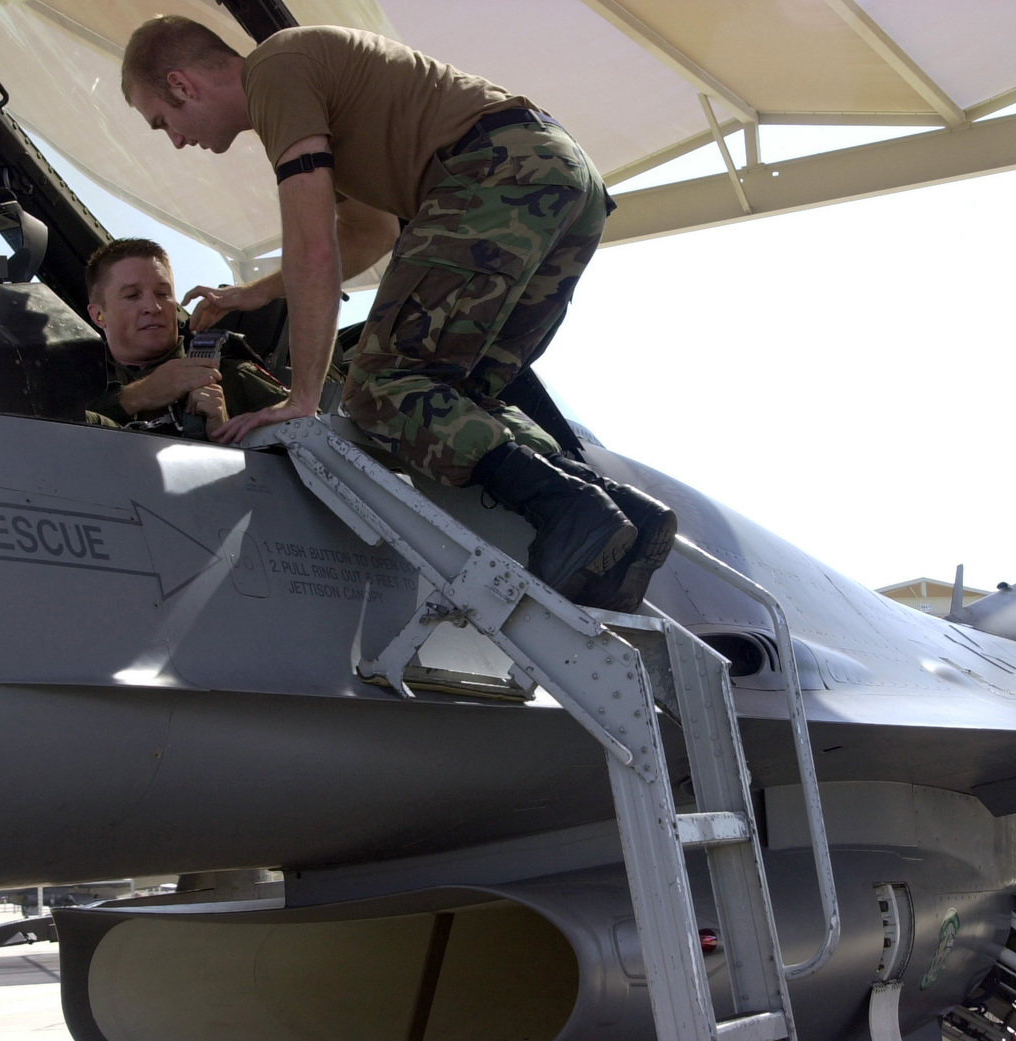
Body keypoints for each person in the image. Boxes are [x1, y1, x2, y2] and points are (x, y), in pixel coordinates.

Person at [119, 17, 674, 611]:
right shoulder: (316, 89)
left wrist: (304, 396)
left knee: (380, 385)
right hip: (557, 181)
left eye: (162, 122)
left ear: (181, 86)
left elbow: (315, 249)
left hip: (497, 172)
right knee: (456, 395)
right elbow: (366, 233)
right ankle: (624, 516)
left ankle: (571, 514)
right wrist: (256, 292)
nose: (175, 140)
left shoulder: (276, 70)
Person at [84, 238, 288, 435]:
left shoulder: (229, 376)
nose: (153, 307)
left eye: (163, 294)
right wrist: (136, 396)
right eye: (132, 296)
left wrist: (229, 438)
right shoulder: (75, 385)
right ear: (98, 315)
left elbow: (312, 436)